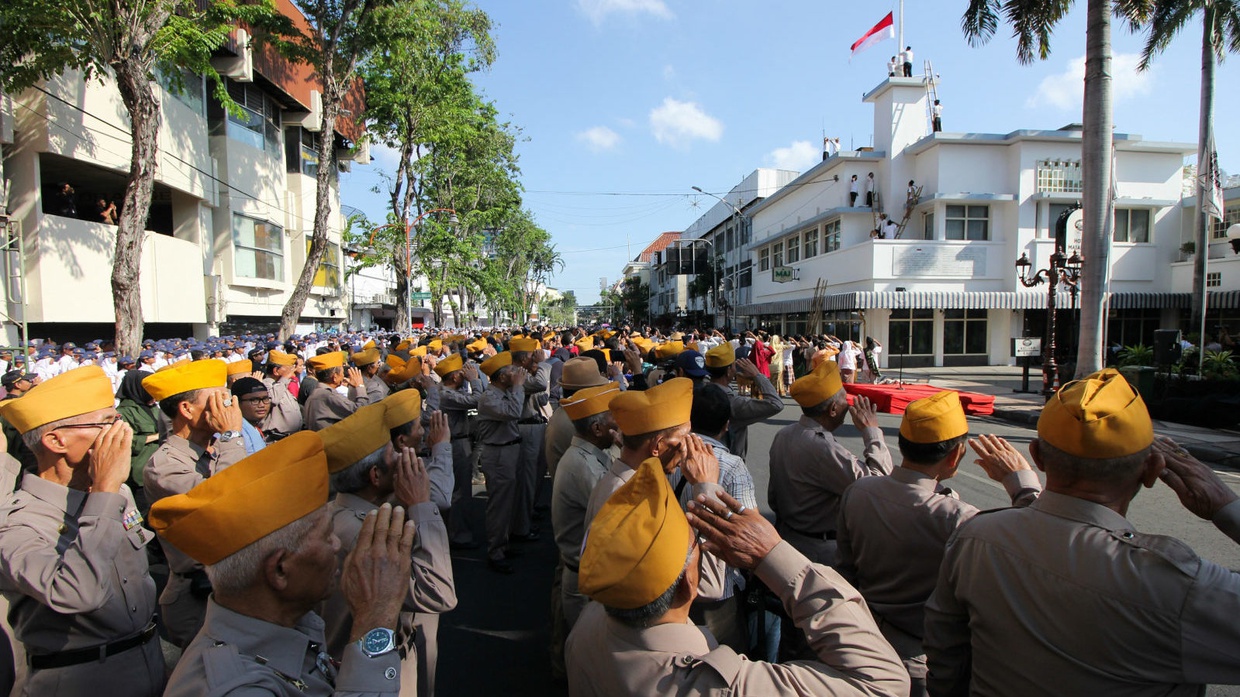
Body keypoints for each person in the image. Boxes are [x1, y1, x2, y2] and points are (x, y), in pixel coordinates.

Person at [924, 369, 1240, 696]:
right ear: (1151, 470)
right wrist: (1228, 507)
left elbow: (945, 655)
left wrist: (1023, 488)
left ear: (1038, 457)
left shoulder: (975, 538)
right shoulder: (1177, 585)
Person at [565, 458, 910, 697]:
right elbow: (884, 684)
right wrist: (774, 554)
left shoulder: (588, 625)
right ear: (688, 583)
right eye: (697, 547)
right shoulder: (722, 686)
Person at [151, 432, 416, 696]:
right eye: (327, 536)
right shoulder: (237, 689)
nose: (337, 545)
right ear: (280, 569)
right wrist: (375, 621)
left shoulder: (291, 623)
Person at [835, 392, 1042, 695]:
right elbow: (1034, 547)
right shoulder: (958, 518)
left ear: (902, 445)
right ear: (955, 455)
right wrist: (1022, 485)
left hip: (862, 640)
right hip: (919, 660)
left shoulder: (859, 491)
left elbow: (845, 569)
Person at [0, 366, 164, 697]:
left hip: (148, 661)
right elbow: (78, 593)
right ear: (55, 440)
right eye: (106, 424)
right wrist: (104, 492)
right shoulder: (17, 522)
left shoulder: (117, 493)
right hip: (80, 678)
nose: (122, 432)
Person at [318, 399, 456, 697]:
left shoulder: (338, 512)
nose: (402, 457)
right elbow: (438, 593)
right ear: (375, 476)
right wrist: (421, 504)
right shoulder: (363, 535)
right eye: (393, 454)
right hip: (377, 672)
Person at [142, 358, 248, 647]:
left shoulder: (219, 448)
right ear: (187, 409)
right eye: (218, 400)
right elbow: (225, 501)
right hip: (198, 596)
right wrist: (232, 435)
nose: (228, 408)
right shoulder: (165, 466)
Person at [767, 360, 892, 565]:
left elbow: (774, 497)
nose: (848, 405)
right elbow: (879, 486)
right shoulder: (823, 448)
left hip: (789, 538)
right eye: (844, 399)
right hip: (820, 550)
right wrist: (871, 432)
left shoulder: (784, 435)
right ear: (833, 409)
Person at [548, 383, 621, 681]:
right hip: (584, 581)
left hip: (582, 574)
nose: (619, 423)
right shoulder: (584, 467)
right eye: (613, 419)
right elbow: (618, 514)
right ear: (597, 428)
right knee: (587, 667)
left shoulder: (586, 455)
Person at [475, 352, 528, 574]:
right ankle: (495, 552)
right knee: (499, 505)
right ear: (502, 376)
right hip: (498, 454)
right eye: (511, 371)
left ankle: (503, 543)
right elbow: (513, 412)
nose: (516, 373)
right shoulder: (489, 398)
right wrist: (518, 386)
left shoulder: (504, 392)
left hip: (509, 449)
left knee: (509, 502)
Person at [432, 352, 487, 548]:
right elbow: (477, 400)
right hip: (456, 444)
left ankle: (454, 531)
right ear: (454, 377)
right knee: (460, 492)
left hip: (456, 441)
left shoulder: (442, 391)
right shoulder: (446, 395)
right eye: (461, 373)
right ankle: (459, 535)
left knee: (458, 490)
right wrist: (475, 380)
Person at [703, 343, 783, 461]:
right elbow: (776, 404)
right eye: (733, 366)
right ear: (729, 371)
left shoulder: (702, 392)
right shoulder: (733, 402)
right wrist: (757, 375)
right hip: (728, 461)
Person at [509, 337, 551, 542]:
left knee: (535, 474)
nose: (534, 358)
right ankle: (522, 527)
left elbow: (542, 395)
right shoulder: (514, 374)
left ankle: (528, 512)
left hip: (535, 424)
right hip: (525, 427)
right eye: (531, 355)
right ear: (524, 358)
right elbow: (541, 384)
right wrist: (542, 364)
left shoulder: (525, 372)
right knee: (526, 478)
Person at [115, 369, 161, 514]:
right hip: (139, 472)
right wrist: (156, 436)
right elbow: (125, 440)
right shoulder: (124, 411)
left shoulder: (153, 408)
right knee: (141, 512)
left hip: (158, 469)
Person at [303, 351, 371, 431]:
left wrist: (353, 387)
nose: (343, 376)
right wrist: (360, 386)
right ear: (335, 377)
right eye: (342, 373)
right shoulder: (327, 396)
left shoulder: (318, 392)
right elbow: (360, 412)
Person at [261, 349, 302, 439]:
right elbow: (273, 399)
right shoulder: (266, 385)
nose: (291, 373)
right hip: (276, 438)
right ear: (276, 371)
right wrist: (284, 378)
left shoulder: (282, 384)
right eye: (288, 369)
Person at [229, 377, 270, 454]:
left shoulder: (253, 426)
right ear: (237, 402)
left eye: (265, 399)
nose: (262, 405)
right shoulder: (233, 430)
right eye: (254, 400)